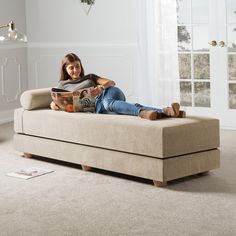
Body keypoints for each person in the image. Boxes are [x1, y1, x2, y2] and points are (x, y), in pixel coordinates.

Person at [50, 53, 185, 120]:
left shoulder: (90, 77)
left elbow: (111, 82)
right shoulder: (63, 85)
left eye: (77, 66)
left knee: (109, 103)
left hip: (109, 94)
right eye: (71, 68)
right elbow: (57, 100)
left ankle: (142, 113)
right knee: (116, 108)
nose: (75, 70)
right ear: (65, 69)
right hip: (98, 109)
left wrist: (100, 88)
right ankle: (168, 112)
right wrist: (54, 105)